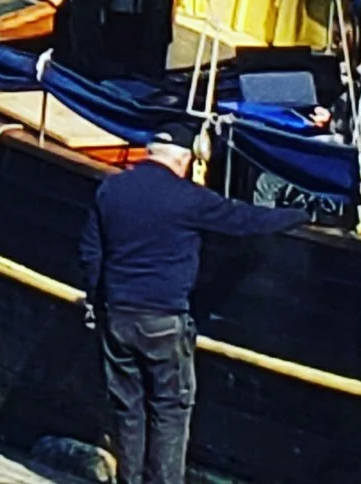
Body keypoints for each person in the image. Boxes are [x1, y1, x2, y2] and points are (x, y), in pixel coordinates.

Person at [80, 143, 302, 484]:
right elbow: (244, 219)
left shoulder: (112, 188)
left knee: (128, 409)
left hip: (118, 313)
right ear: (183, 159)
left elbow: (91, 254)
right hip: (163, 317)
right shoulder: (187, 198)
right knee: (169, 410)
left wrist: (97, 303)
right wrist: (301, 215)